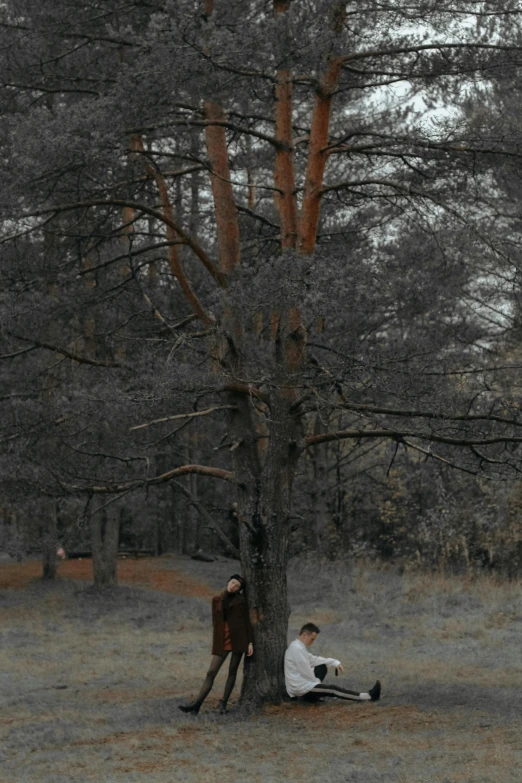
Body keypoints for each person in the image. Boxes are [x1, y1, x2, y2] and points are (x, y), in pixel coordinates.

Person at [179, 574, 253, 715]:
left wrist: (250, 642)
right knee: (211, 672)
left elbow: (247, 623)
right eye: (232, 583)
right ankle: (197, 705)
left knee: (232, 671)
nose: (233, 586)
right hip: (223, 639)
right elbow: (216, 622)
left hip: (239, 638)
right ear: (228, 582)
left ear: (239, 590)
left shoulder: (242, 601)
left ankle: (223, 704)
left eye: (237, 586)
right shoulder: (217, 600)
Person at [284, 622, 381, 703]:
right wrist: (317, 684)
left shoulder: (298, 646)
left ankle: (311, 698)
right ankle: (368, 696)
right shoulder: (296, 649)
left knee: (321, 666)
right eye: (312, 639)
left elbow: (313, 659)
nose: (312, 642)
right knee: (332, 689)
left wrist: (334, 662)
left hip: (302, 684)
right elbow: (306, 673)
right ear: (304, 635)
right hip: (300, 688)